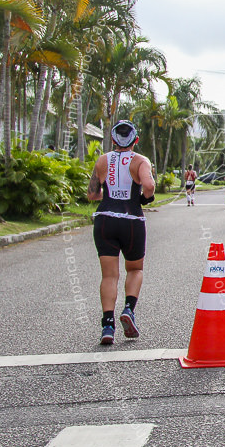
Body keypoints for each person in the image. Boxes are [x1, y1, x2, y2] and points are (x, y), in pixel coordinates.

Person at [86, 120, 156, 345]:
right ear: (135, 140)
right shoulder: (140, 161)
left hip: (105, 219)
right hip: (131, 220)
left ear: (113, 139)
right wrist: (144, 198)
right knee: (135, 269)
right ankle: (128, 309)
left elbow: (93, 194)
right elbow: (149, 186)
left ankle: (107, 325)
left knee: (109, 275)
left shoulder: (102, 160)